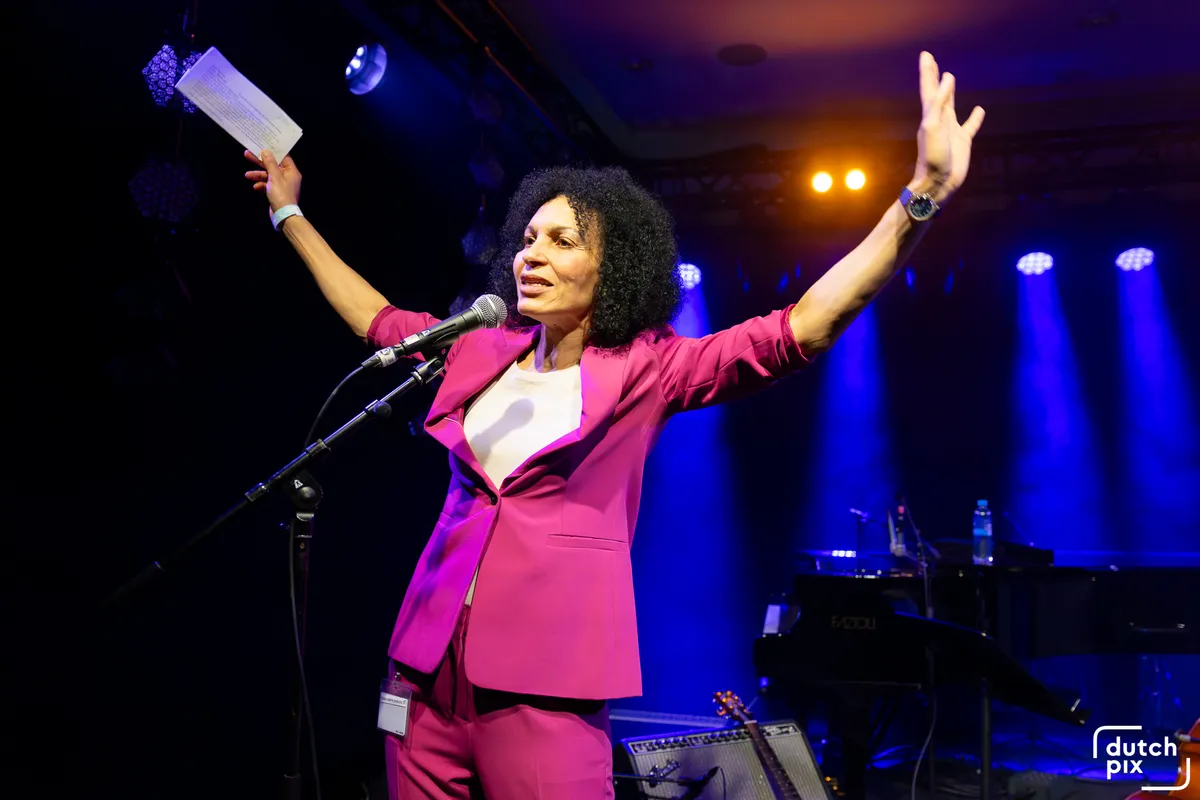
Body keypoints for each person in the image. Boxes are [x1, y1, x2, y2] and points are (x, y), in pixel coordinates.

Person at [243, 51, 984, 800]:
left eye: (561, 241)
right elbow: (375, 318)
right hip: (423, 676)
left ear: (614, 269)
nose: (531, 256)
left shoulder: (647, 370)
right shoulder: (475, 349)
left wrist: (919, 196)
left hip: (546, 686)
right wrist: (287, 213)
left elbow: (803, 327)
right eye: (528, 239)